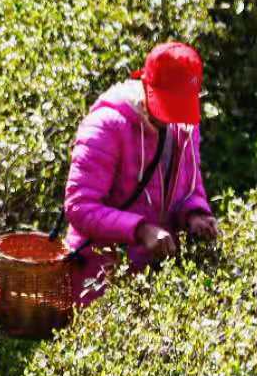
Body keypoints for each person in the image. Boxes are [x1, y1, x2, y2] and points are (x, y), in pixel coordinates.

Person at [65, 41, 220, 305]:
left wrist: (196, 214)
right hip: (100, 280)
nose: (172, 118)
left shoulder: (185, 126)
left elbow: (190, 184)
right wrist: (140, 230)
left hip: (157, 277)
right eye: (168, 105)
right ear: (146, 87)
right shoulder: (106, 127)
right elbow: (80, 207)